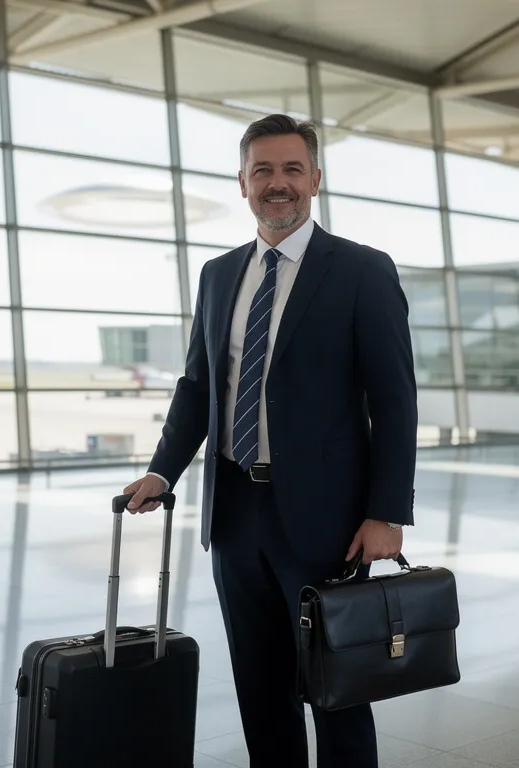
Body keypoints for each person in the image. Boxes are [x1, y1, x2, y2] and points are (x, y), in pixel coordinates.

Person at [121, 114, 417, 768]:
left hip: (329, 521)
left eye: (290, 169)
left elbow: (396, 401)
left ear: (315, 178)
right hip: (235, 516)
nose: (276, 183)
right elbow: (199, 385)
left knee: (337, 689)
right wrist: (162, 470)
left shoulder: (362, 271)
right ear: (242, 183)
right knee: (260, 689)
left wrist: (387, 512)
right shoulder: (218, 275)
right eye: (263, 171)